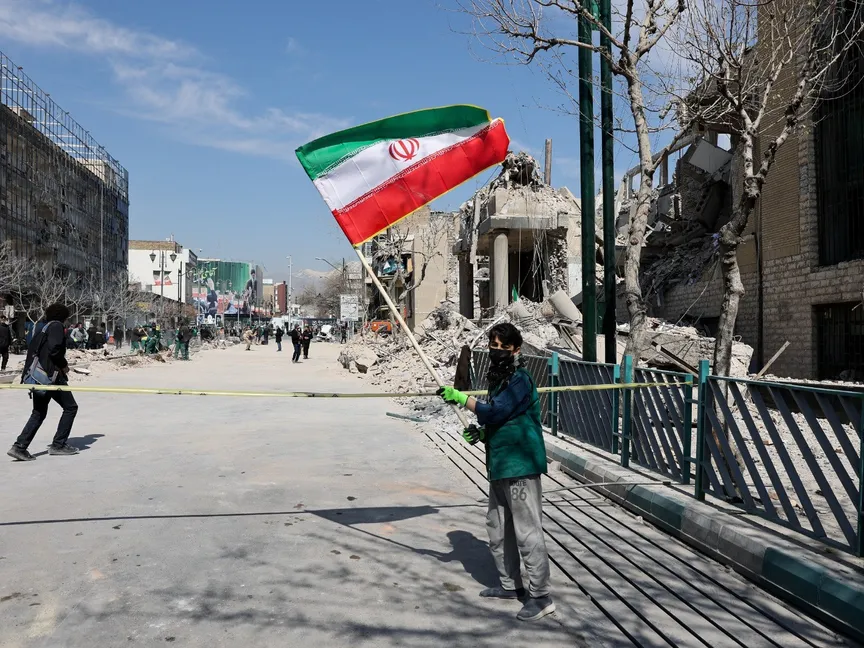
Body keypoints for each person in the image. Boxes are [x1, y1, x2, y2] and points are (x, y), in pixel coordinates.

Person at [437, 322, 553, 622]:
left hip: (521, 464)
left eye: (504, 347)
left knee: (527, 533)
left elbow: (498, 411)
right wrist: (483, 435)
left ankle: (541, 596)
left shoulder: (520, 380)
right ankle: (510, 585)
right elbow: (499, 421)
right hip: (500, 464)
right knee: (498, 529)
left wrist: (462, 398)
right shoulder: (499, 379)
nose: (497, 352)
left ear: (516, 349)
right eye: (493, 346)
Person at [7, 303, 80, 460]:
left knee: (39, 412)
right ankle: (58, 445)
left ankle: (19, 447)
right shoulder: (56, 327)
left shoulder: (42, 328)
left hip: (37, 376)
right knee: (70, 407)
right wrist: (64, 366)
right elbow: (54, 351)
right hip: (50, 376)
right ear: (63, 316)